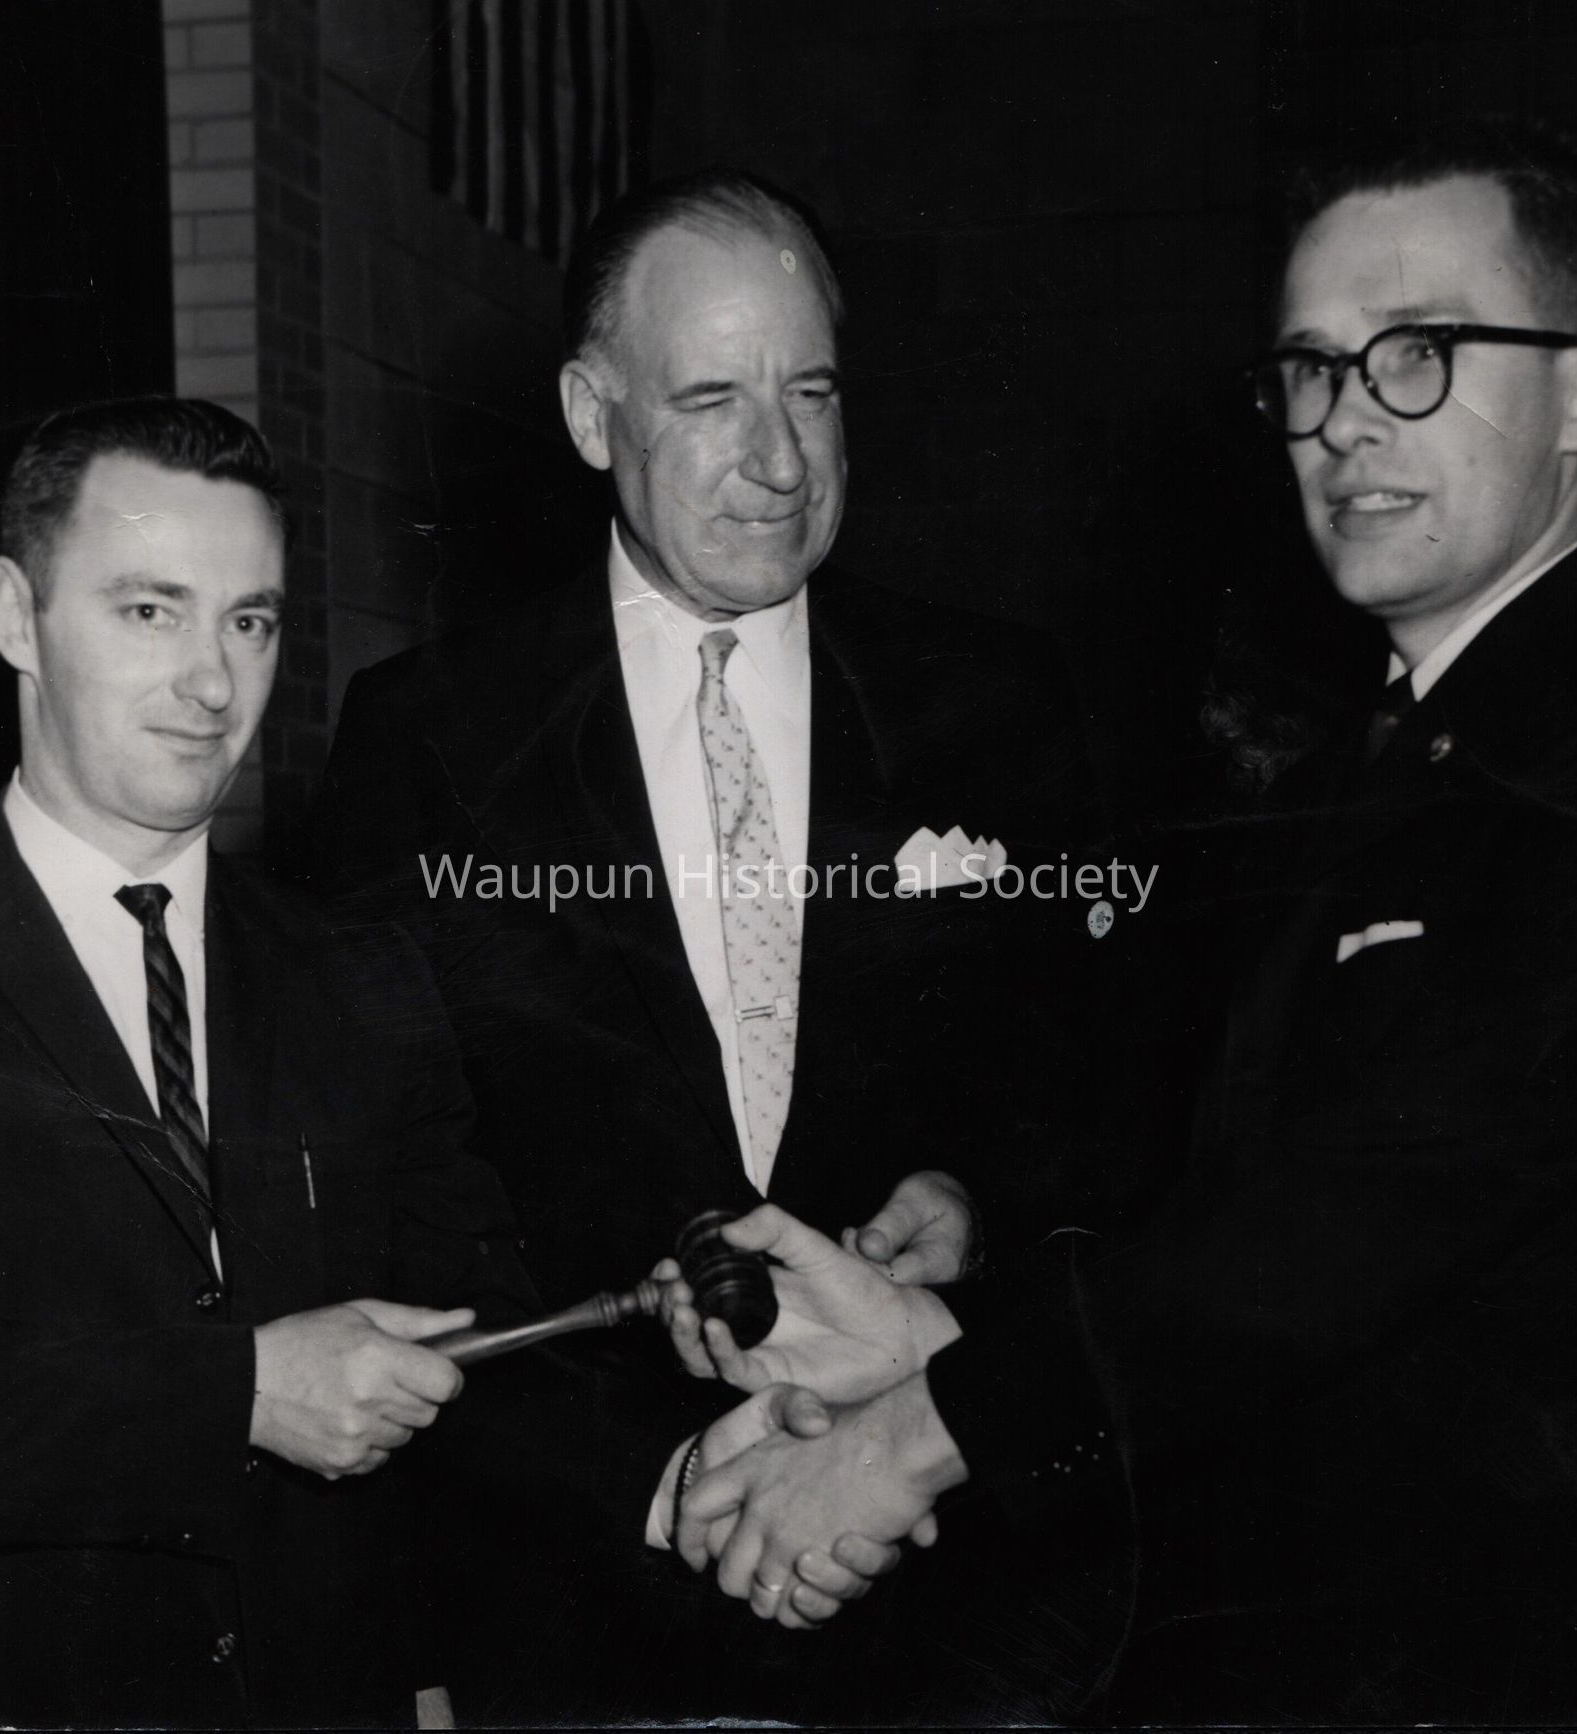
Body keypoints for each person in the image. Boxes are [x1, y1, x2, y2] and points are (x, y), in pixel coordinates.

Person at [673, 120, 1577, 1722]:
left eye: (1419, 354)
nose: (1346, 421)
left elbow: (1392, 1204)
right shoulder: (1356, 771)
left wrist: (926, 1429)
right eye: (1312, 369)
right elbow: (1237, 1219)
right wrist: (935, 1327)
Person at [314, 169, 1117, 1722]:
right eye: (710, 400)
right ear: (590, 413)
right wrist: (659, 1474)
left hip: (946, 1593)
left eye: (811, 392)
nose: (781, 460)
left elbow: (1104, 1089)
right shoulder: (427, 738)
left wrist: (976, 1202)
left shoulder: (995, 701)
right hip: (588, 1590)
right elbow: (393, 1198)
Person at [0, 398, 544, 1727]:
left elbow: (474, 1328)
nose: (212, 683)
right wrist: (239, 1393)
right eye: (152, 610)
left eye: (250, 621)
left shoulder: (361, 971)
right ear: (14, 617)